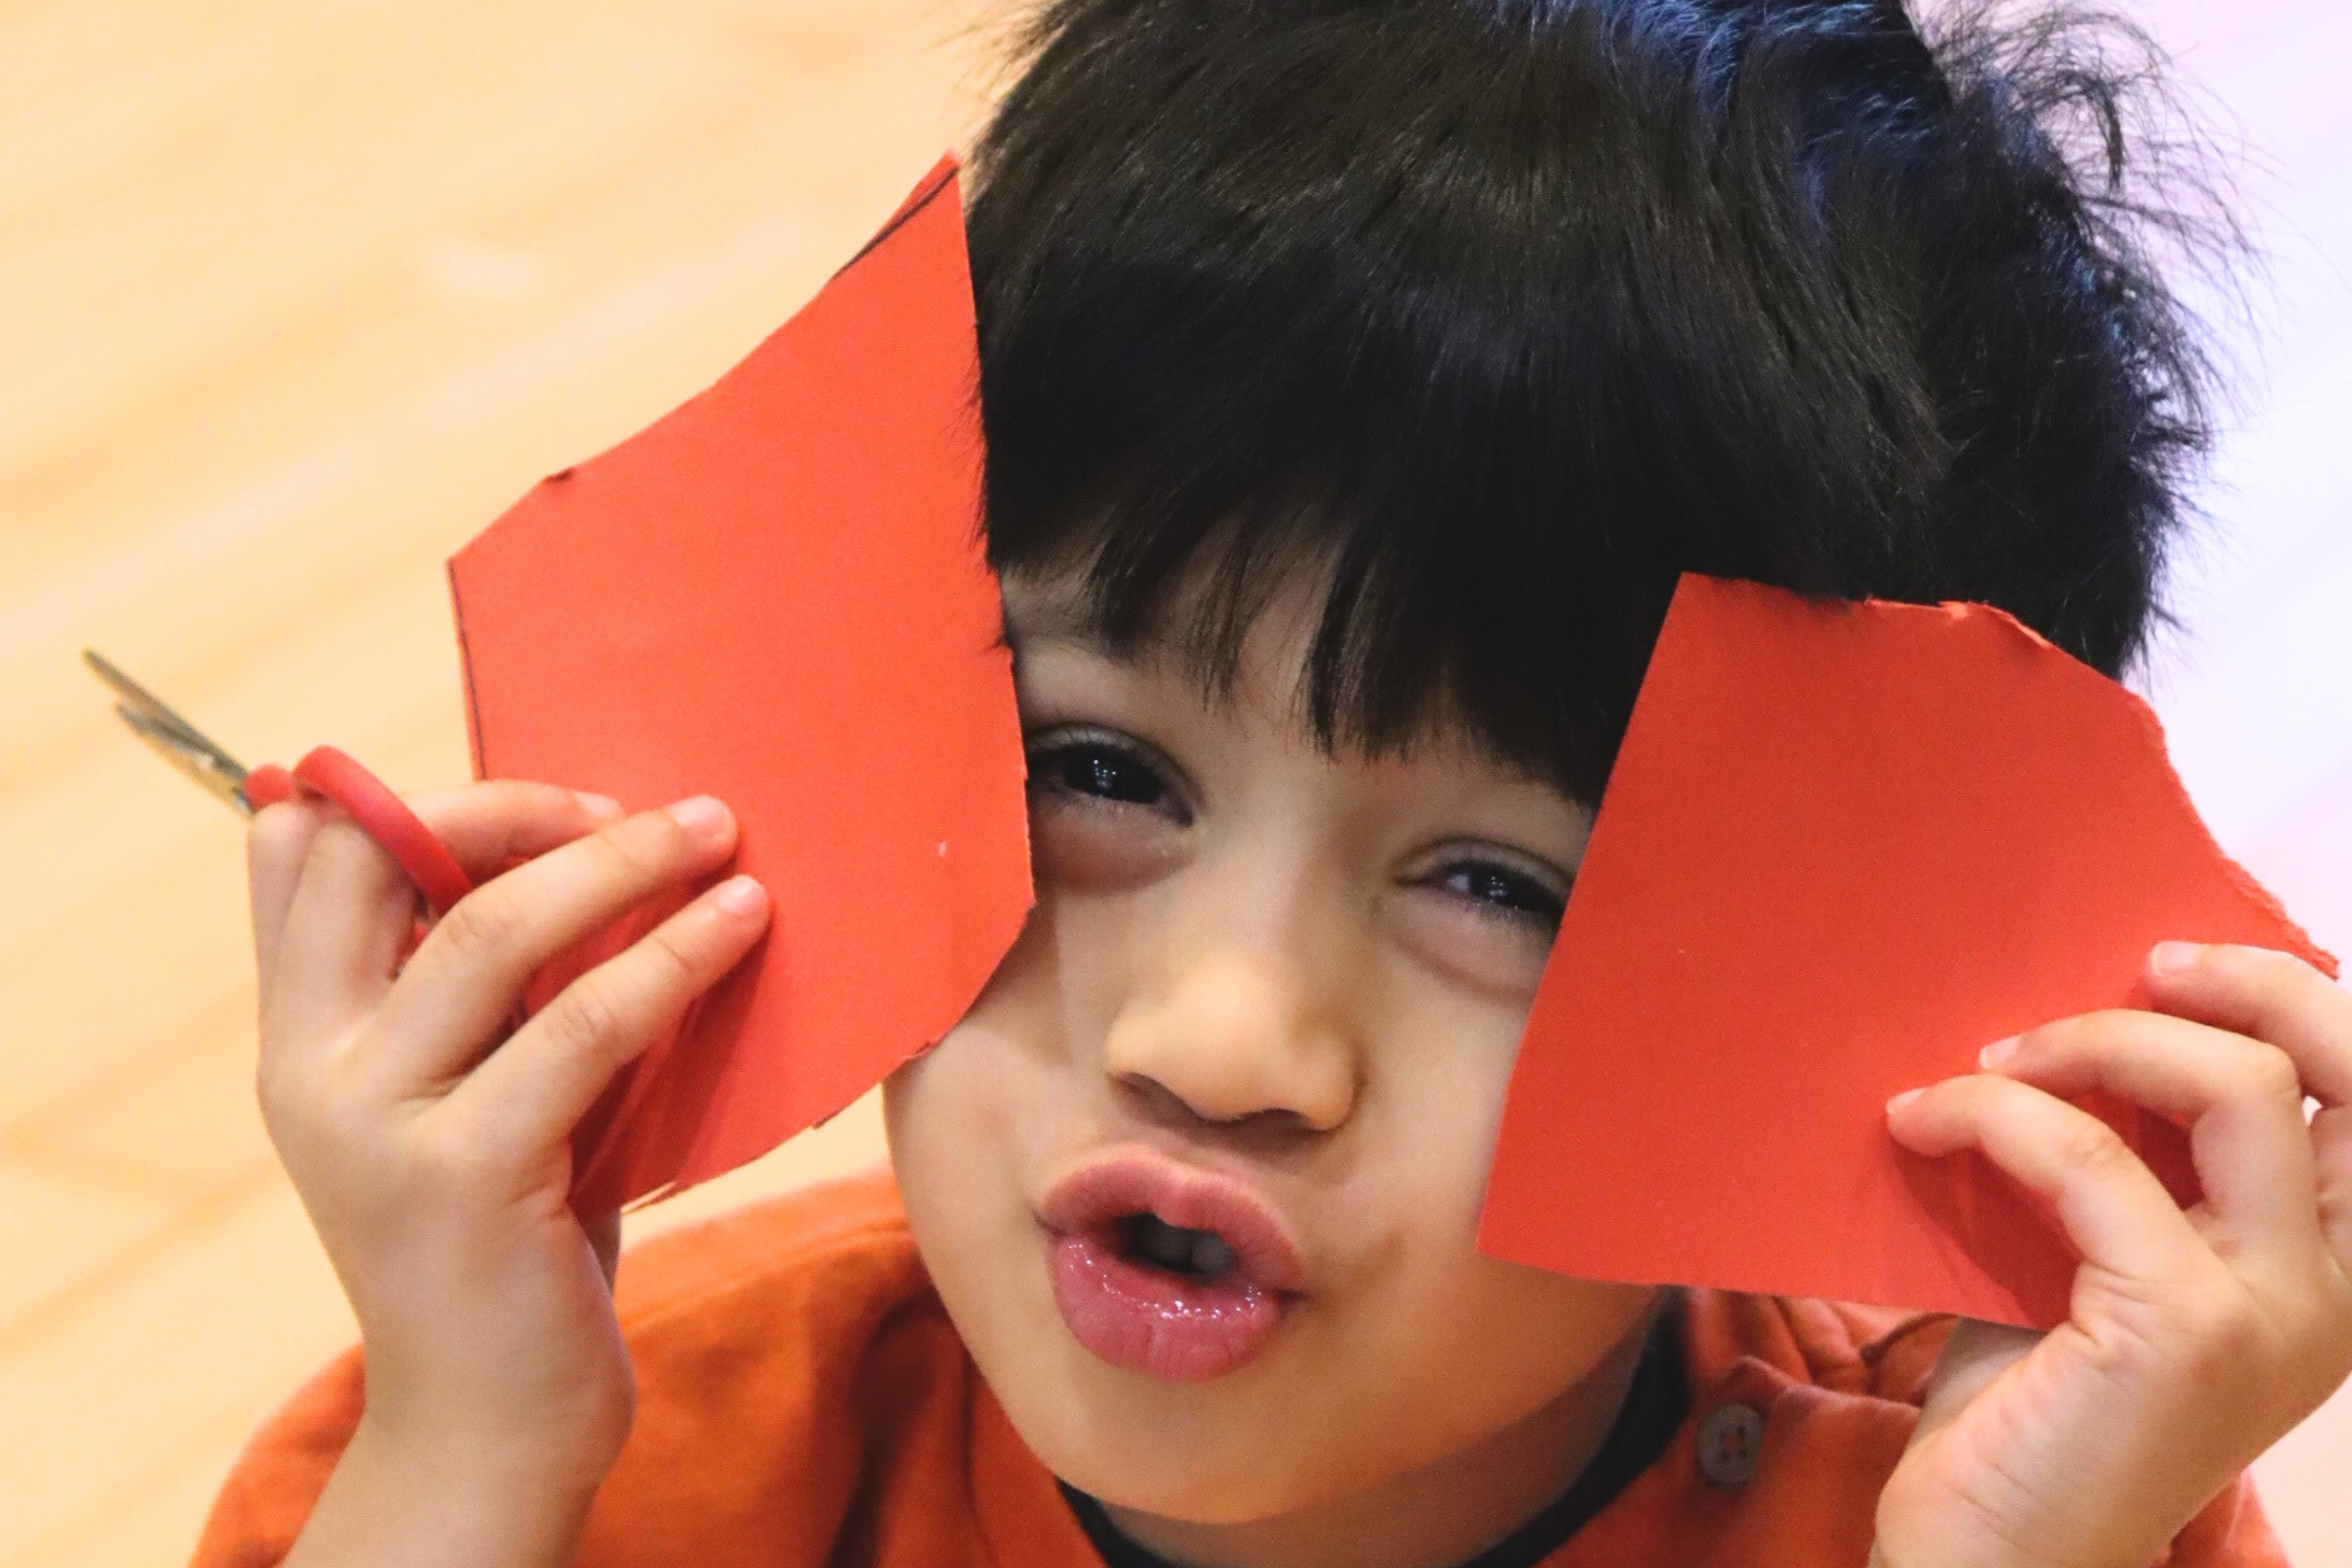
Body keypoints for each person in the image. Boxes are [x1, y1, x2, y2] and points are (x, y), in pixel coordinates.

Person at [192, 2, 2352, 1565]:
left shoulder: (2003, 1504)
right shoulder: (581, 1464)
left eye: (1504, 882)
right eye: (1103, 763)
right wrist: (478, 1451)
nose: (1220, 1039)